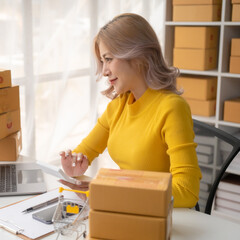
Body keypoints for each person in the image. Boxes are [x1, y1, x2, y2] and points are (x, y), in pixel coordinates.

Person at [59, 13, 202, 208]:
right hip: (132, 208)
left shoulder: (172, 108)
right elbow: (85, 152)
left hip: (164, 216)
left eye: (109, 59)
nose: (104, 71)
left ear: (137, 55)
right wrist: (74, 166)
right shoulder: (118, 106)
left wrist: (115, 191)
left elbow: (187, 191)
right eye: (103, 61)